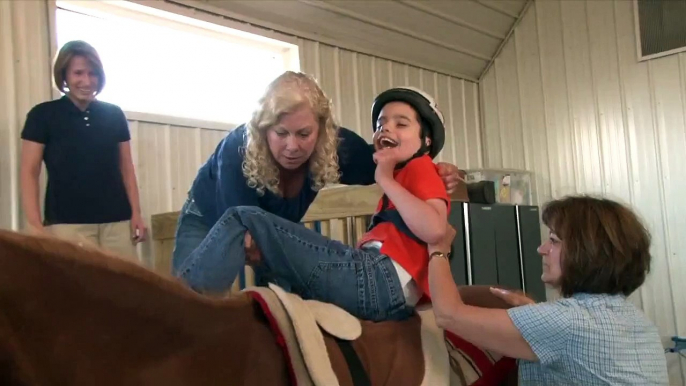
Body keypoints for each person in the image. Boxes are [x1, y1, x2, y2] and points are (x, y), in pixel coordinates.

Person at [175, 87, 451, 322]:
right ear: (263, 129)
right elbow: (247, 238)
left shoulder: (385, 163)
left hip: (378, 277)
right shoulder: (237, 149)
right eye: (281, 133)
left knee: (252, 231)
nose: (292, 146)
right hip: (208, 214)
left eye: (304, 133)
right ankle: (184, 315)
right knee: (246, 233)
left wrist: (435, 170)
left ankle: (175, 314)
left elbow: (386, 163)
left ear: (322, 129)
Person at [427, 196, 669, 385]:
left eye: (553, 240)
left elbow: (448, 314)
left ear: (586, 251)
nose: (541, 249)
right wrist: (534, 316)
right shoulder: (635, 320)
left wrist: (438, 247)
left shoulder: (568, 322)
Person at [20, 40, 146, 260]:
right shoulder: (42, 116)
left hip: (117, 223)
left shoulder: (114, 115)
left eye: (93, 73)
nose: (86, 81)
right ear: (65, 75)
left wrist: (136, 213)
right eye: (78, 73)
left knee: (121, 290)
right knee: (74, 292)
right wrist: (35, 226)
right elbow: (29, 172)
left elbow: (126, 168)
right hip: (67, 226)